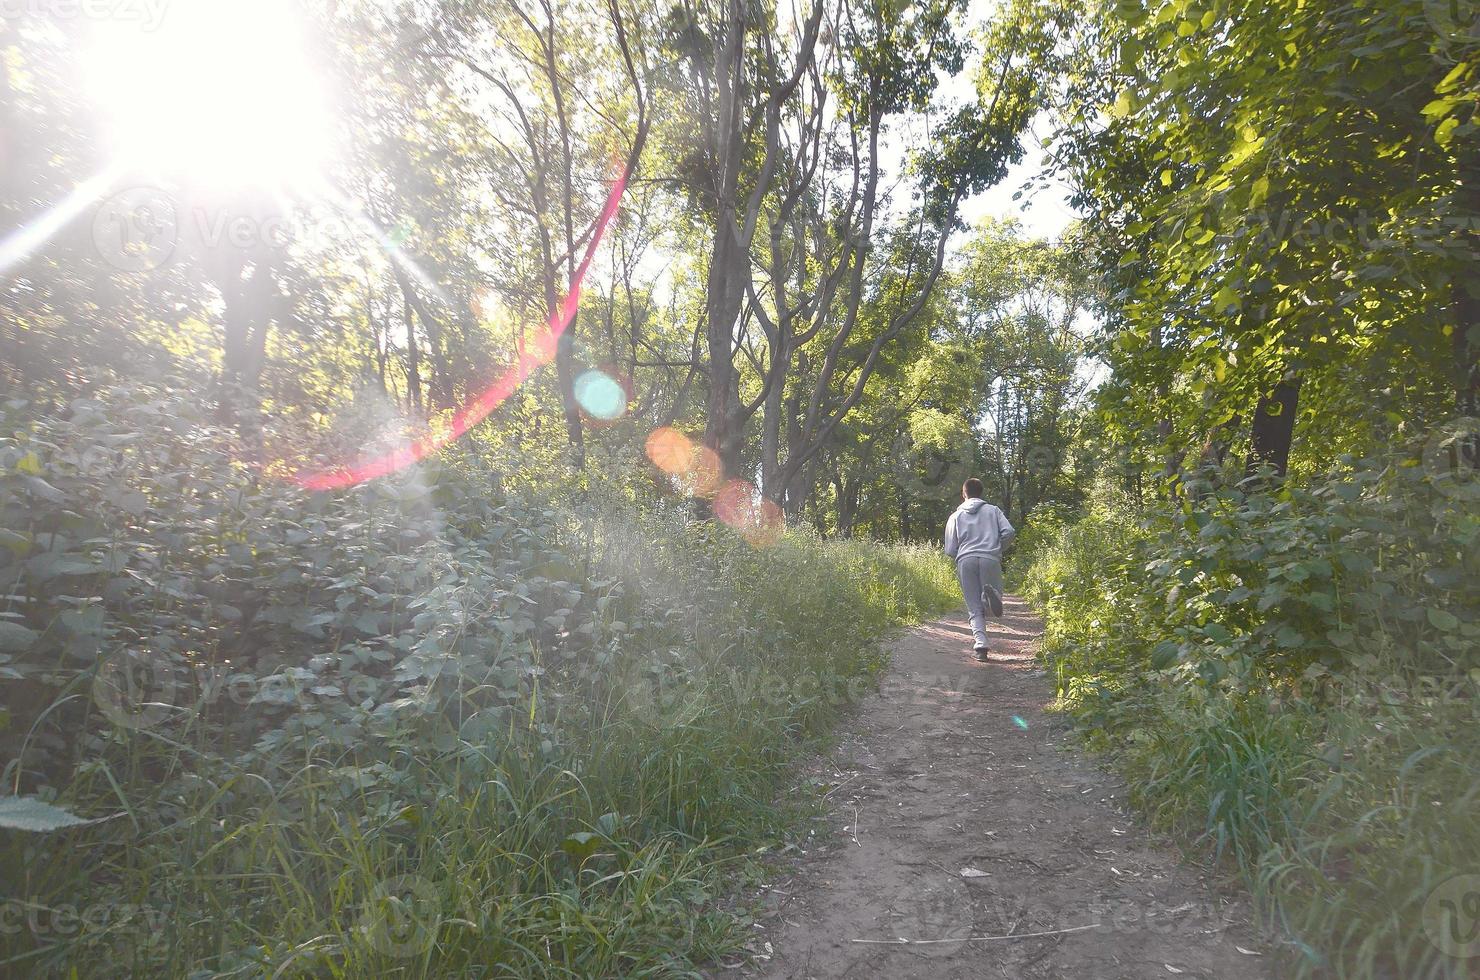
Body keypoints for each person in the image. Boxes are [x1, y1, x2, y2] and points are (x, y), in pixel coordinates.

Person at [943, 478, 1015, 660]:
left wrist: (962, 552)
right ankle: (990, 597)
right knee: (992, 599)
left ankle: (981, 645)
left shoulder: (955, 516)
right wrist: (997, 548)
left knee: (973, 606)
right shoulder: (993, 510)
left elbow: (950, 549)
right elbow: (1009, 532)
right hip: (990, 558)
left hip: (966, 560)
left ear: (963, 494)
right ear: (981, 493)